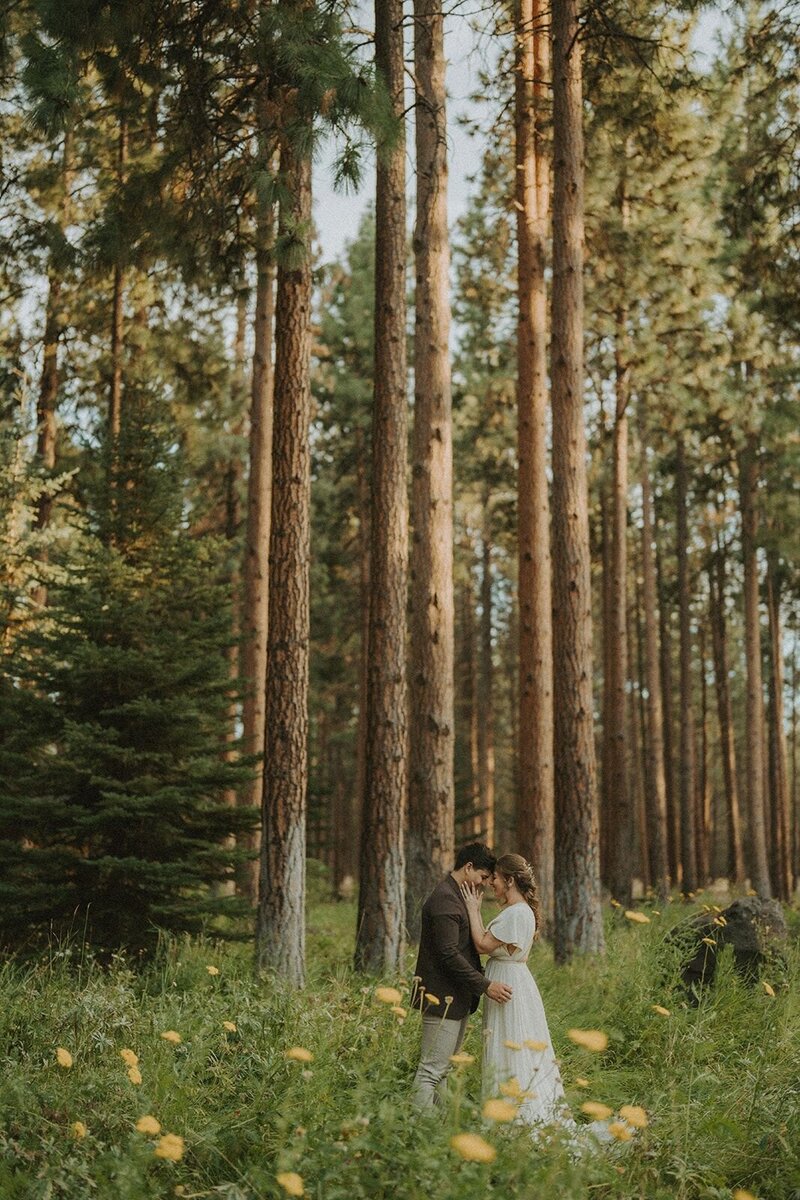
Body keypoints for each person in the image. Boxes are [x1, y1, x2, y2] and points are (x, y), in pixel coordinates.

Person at [460, 853, 572, 1128]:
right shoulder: (520, 911)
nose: (491, 884)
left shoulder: (516, 912)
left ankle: (514, 1117)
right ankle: (508, 1112)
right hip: (513, 978)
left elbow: (482, 945)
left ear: (509, 880)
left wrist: (473, 909)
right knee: (511, 1043)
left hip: (508, 983)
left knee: (509, 1044)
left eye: (495, 878)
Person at [410, 842, 513, 1108]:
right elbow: (448, 954)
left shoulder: (455, 896)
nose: (482, 884)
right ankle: (421, 1129)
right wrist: (485, 985)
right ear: (468, 868)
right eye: (482, 877)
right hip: (441, 996)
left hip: (455, 999)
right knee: (431, 1070)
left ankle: (439, 1128)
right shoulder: (445, 900)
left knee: (443, 1069)